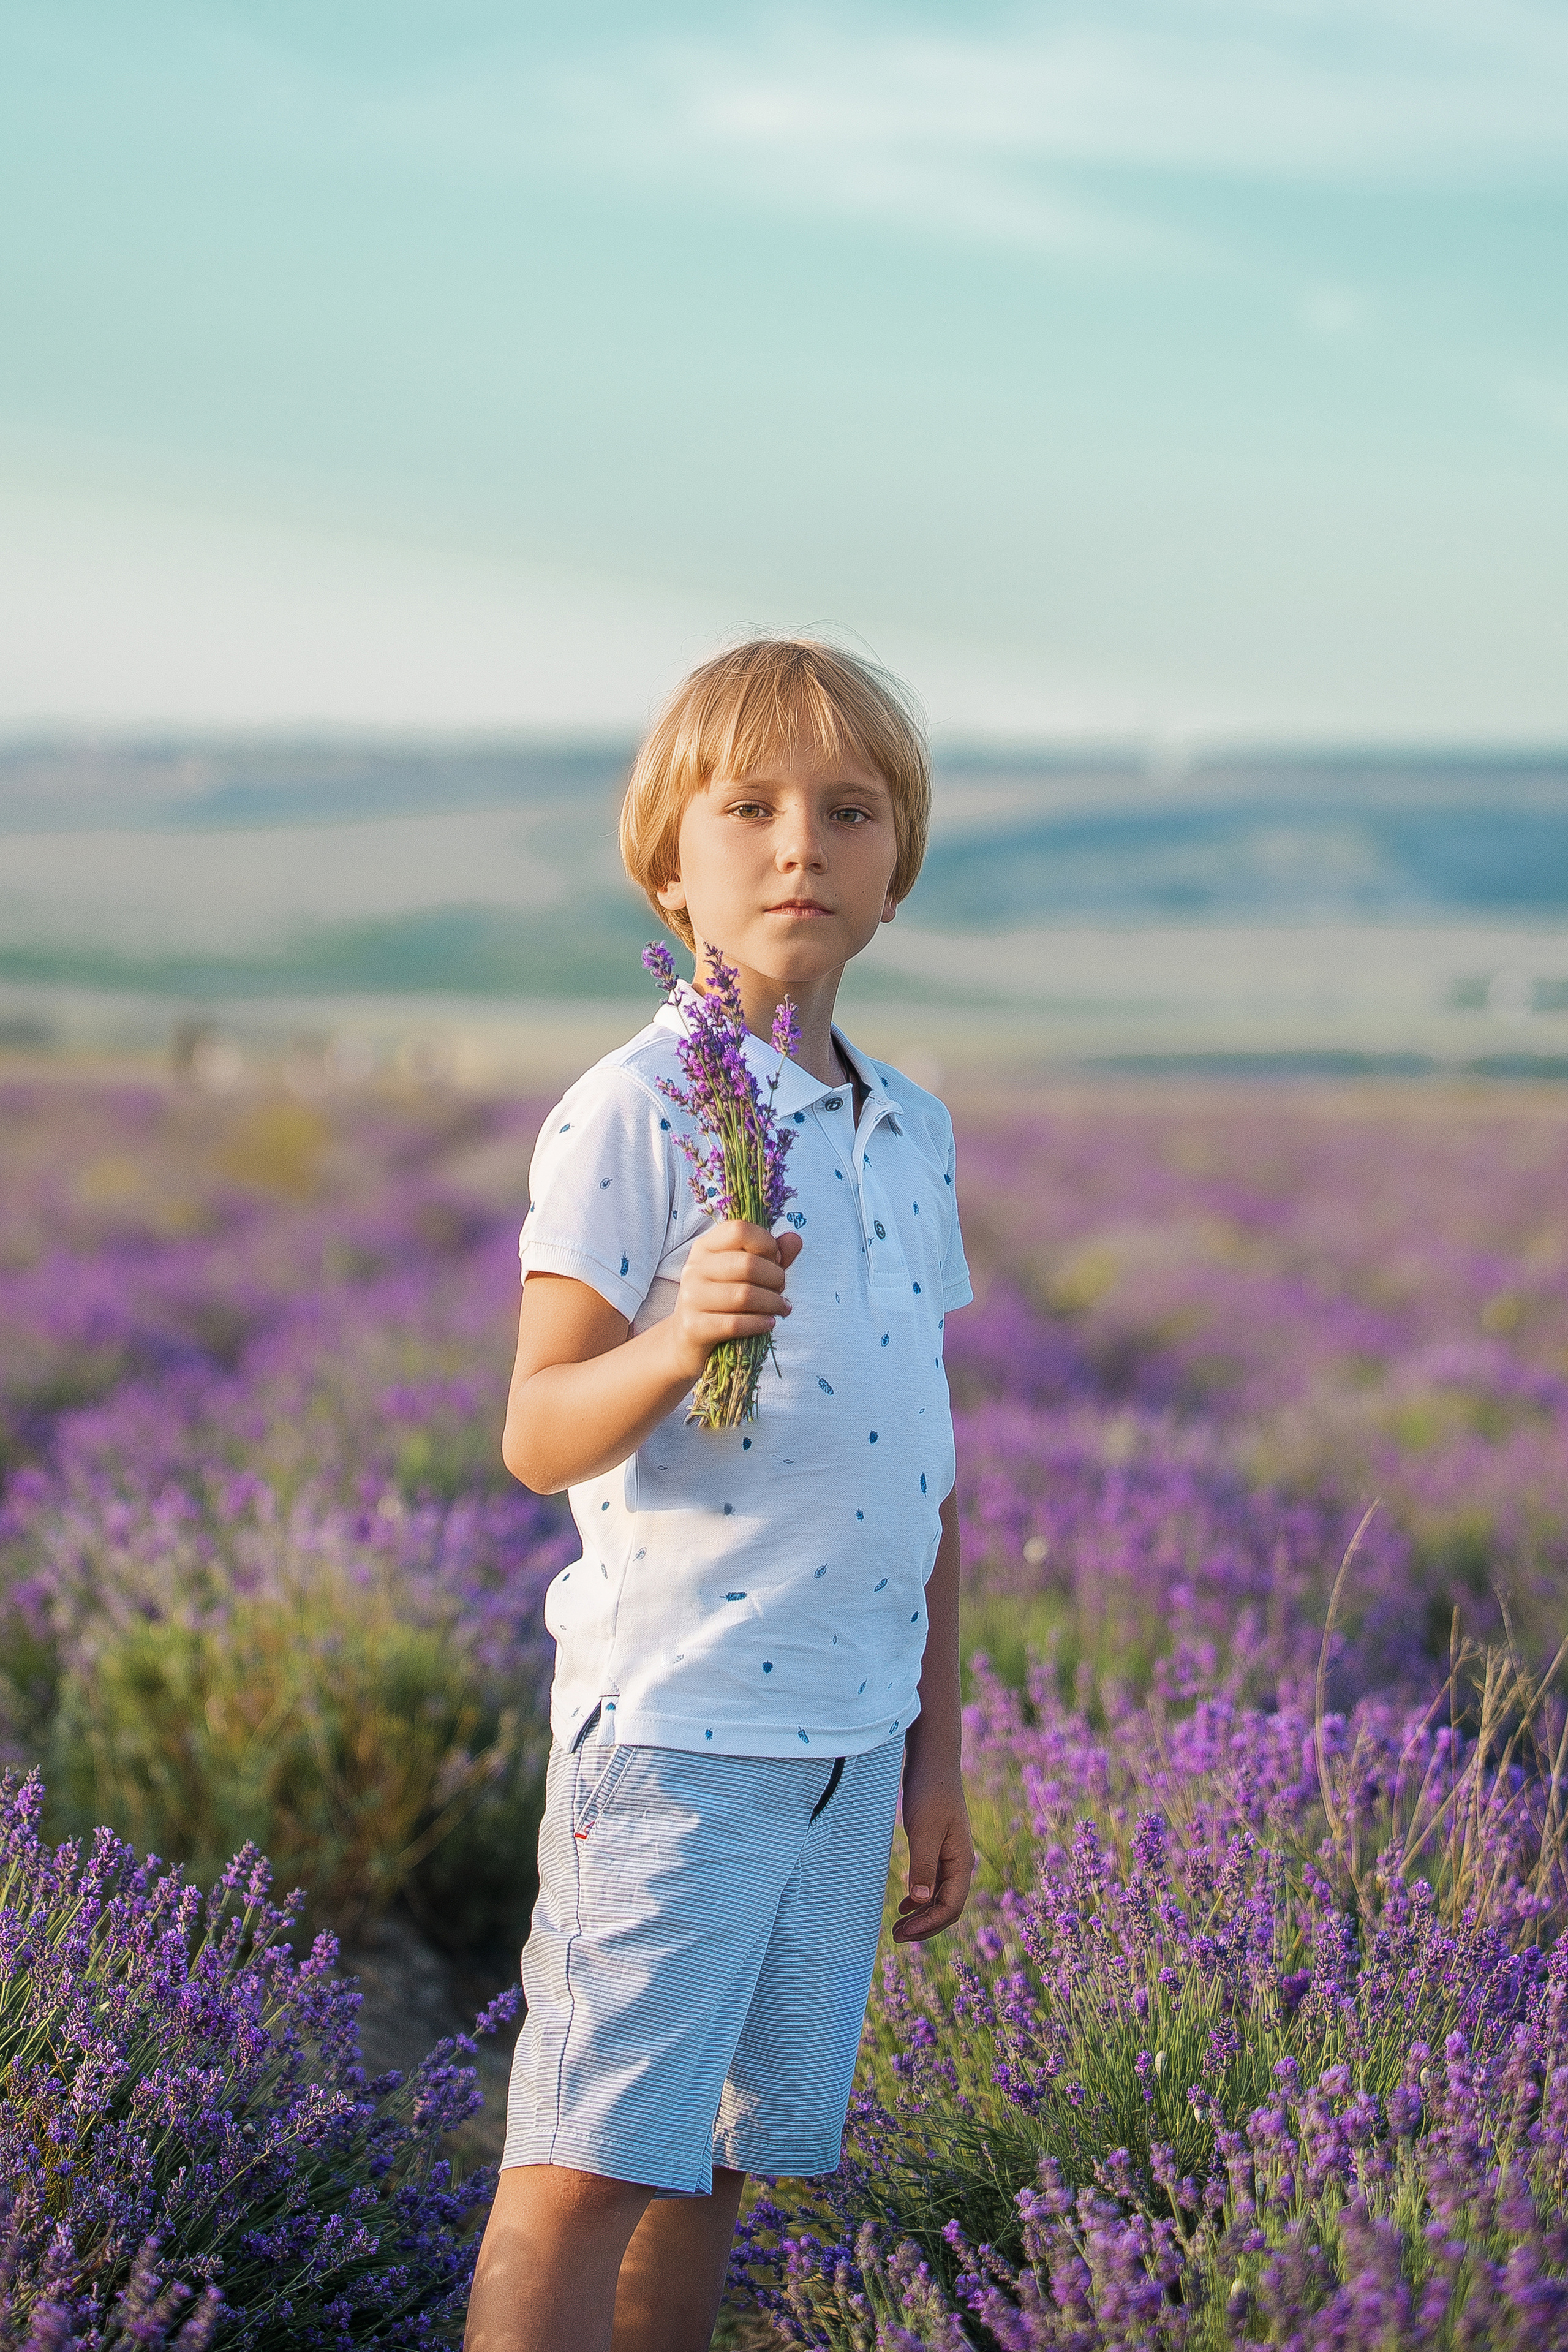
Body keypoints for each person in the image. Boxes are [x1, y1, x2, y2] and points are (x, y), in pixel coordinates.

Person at [464, 638, 974, 2352]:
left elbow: (927, 1461)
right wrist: (683, 1334)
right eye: (747, 809)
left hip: (850, 1737)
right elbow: (538, 1430)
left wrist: (935, 1752)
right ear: (666, 866)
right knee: (583, 2169)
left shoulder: (906, 1125)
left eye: (848, 812)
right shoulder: (633, 1113)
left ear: (895, 871)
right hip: (681, 1735)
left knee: (720, 2169)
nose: (798, 848)